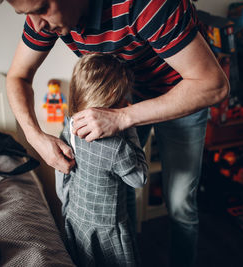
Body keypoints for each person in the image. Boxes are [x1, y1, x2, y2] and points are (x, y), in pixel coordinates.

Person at [0, 0, 229, 266]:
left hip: (186, 97)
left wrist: (123, 117)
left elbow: (215, 86)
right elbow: (18, 76)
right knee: (121, 192)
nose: (36, 23)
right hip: (125, 99)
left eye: (40, 8)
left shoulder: (149, 5)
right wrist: (35, 137)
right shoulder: (43, 17)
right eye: (25, 13)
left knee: (180, 204)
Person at [55, 53, 147, 267]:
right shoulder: (117, 147)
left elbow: (63, 174)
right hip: (107, 228)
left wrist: (67, 206)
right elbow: (139, 178)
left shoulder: (70, 125)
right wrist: (129, 125)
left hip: (76, 216)